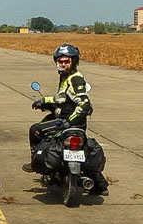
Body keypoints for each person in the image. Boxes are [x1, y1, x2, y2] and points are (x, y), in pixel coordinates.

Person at [22, 43, 106, 195]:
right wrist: (44, 101)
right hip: (72, 121)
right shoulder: (66, 77)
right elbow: (62, 98)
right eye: (60, 61)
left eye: (67, 61)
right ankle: (100, 183)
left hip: (68, 122)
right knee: (85, 149)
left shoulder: (75, 79)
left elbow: (84, 104)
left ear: (74, 62)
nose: (63, 64)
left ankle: (36, 163)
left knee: (35, 130)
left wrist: (69, 121)